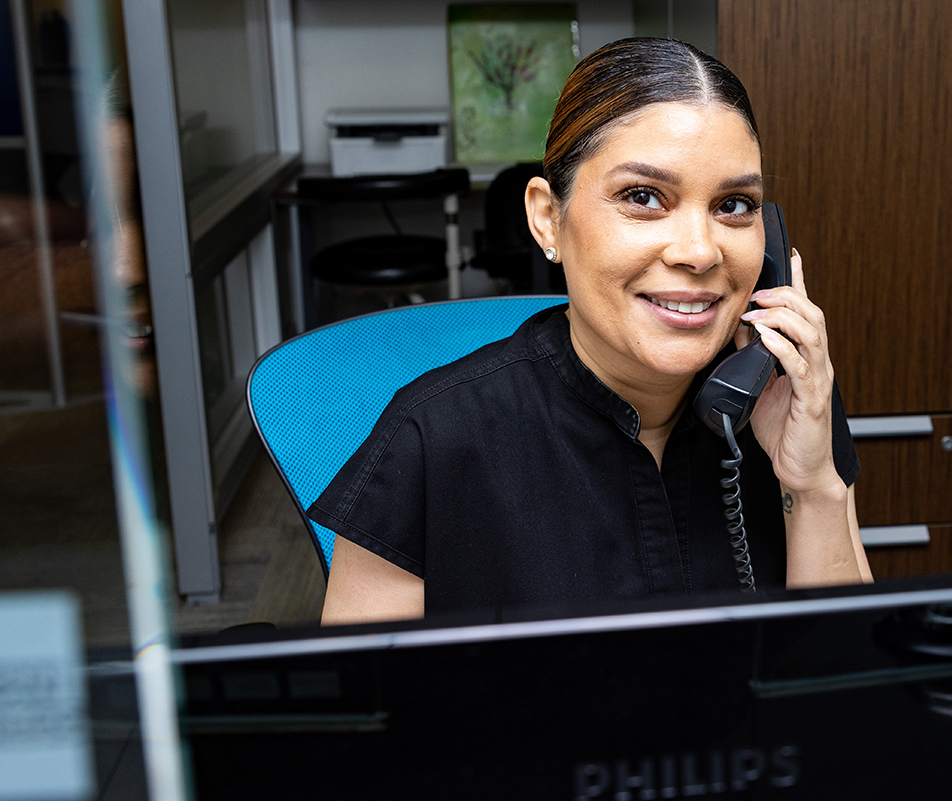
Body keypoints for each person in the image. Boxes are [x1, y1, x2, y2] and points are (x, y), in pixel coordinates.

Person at [310, 38, 872, 625]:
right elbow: (370, 710)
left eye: (734, 205)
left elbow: (850, 694)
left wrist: (812, 489)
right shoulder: (431, 440)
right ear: (548, 219)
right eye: (644, 197)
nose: (701, 252)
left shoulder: (787, 398)